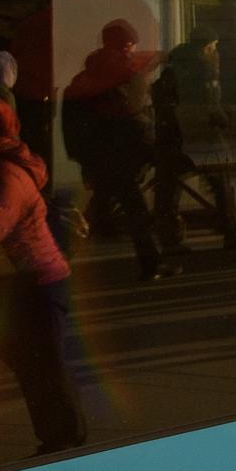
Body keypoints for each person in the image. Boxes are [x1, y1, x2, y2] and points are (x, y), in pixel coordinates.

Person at [0, 69, 87, 456]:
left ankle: (65, 442)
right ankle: (60, 435)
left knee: (43, 366)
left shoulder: (9, 174)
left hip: (37, 283)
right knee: (31, 364)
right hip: (6, 282)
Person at [61, 20, 175, 281]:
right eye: (132, 46)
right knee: (136, 212)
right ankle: (151, 265)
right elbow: (137, 122)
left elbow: (73, 128)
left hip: (98, 158)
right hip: (123, 157)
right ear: (126, 45)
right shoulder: (126, 77)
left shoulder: (82, 80)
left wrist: (83, 160)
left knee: (99, 209)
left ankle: (59, 261)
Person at [150, 30, 236, 253]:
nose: (216, 52)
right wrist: (225, 122)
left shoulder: (171, 69)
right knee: (221, 182)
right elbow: (212, 106)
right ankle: (230, 232)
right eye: (215, 46)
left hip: (170, 135)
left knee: (168, 188)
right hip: (200, 136)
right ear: (207, 47)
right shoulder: (205, 69)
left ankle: (169, 240)